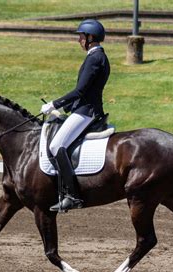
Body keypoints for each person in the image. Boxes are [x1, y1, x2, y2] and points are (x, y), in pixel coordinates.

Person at [41, 19, 111, 212]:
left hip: (87, 112)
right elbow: (87, 90)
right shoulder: (96, 56)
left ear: (90, 37)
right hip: (83, 108)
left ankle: (72, 195)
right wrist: (65, 109)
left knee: (56, 145)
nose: (79, 40)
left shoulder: (95, 58)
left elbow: (80, 90)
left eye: (81, 36)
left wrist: (55, 103)